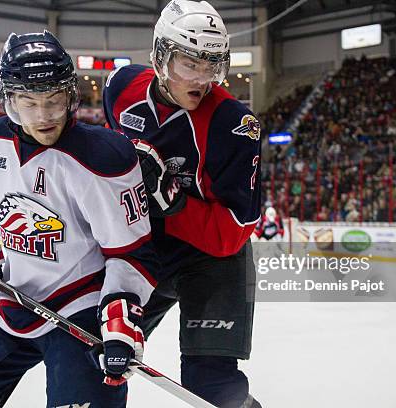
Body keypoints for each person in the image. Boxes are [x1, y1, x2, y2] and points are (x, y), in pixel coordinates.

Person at [0, 31, 158, 408]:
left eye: (53, 100)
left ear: (70, 94)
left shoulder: (103, 158)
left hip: (81, 312)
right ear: (8, 100)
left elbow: (132, 253)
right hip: (14, 302)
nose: (43, 115)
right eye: (28, 103)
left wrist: (120, 317)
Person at [102, 1, 262, 407]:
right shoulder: (120, 87)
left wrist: (168, 202)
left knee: (211, 387)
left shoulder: (234, 124)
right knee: (97, 356)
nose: (203, 78)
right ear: (160, 56)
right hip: (144, 252)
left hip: (212, 262)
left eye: (212, 65)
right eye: (190, 64)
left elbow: (230, 237)